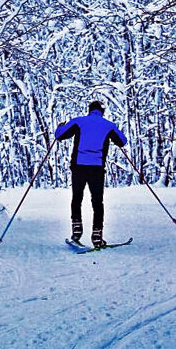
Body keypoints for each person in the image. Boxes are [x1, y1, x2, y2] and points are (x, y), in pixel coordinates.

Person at [55, 100, 127, 248]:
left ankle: (76, 230)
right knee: (97, 202)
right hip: (97, 168)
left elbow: (60, 136)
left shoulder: (79, 121)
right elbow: (122, 141)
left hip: (79, 167)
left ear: (89, 110)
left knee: (77, 198)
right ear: (102, 111)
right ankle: (97, 235)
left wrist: (60, 127)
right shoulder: (108, 125)